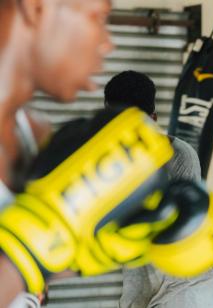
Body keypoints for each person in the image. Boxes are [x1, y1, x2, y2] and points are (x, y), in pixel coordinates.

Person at [0, 0, 113, 306]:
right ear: (36, 7)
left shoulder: (33, 134)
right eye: (99, 16)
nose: (107, 43)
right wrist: (29, 253)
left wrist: (97, 248)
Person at [104, 70, 213, 308]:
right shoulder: (110, 161)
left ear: (153, 118)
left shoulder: (180, 156)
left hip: (185, 289)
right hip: (141, 286)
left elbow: (181, 226)